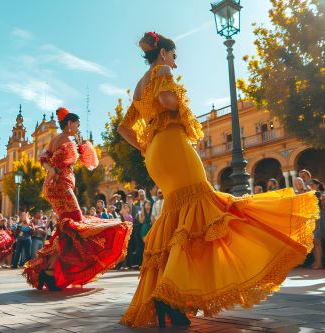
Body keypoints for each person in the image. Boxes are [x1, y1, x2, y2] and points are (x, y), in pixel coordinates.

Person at [117, 32, 319, 328]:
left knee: (180, 218)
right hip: (174, 145)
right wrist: (179, 103)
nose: (175, 62)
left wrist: (146, 146)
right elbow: (167, 99)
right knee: (203, 208)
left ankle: (170, 296)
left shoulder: (138, 86)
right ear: (163, 54)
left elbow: (124, 128)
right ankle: (171, 296)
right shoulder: (162, 71)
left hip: (157, 155)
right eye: (174, 56)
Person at [23, 107, 132, 291]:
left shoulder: (57, 140)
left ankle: (47, 270)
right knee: (76, 222)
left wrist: (52, 169)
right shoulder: (66, 141)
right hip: (61, 185)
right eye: (77, 125)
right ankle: (49, 271)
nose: (78, 128)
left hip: (53, 186)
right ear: (70, 124)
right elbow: (90, 164)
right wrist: (79, 149)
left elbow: (44, 158)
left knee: (68, 227)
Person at [308, 179, 324, 269]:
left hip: (319, 218)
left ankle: (319, 263)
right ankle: (317, 261)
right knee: (314, 242)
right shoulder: (311, 193)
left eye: (312, 184)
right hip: (314, 219)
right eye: (309, 184)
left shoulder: (319, 193)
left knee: (317, 242)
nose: (311, 185)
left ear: (318, 185)